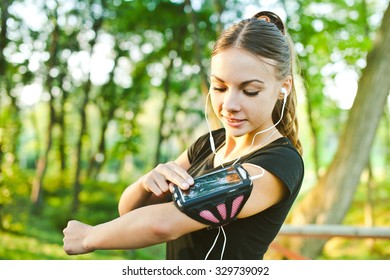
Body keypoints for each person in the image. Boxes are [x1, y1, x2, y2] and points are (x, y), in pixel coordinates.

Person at [63, 10, 304, 260]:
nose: (229, 104)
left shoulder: (278, 163)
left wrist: (89, 236)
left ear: (282, 88)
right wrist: (148, 182)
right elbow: (130, 211)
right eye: (220, 87)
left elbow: (164, 224)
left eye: (250, 90)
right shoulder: (208, 145)